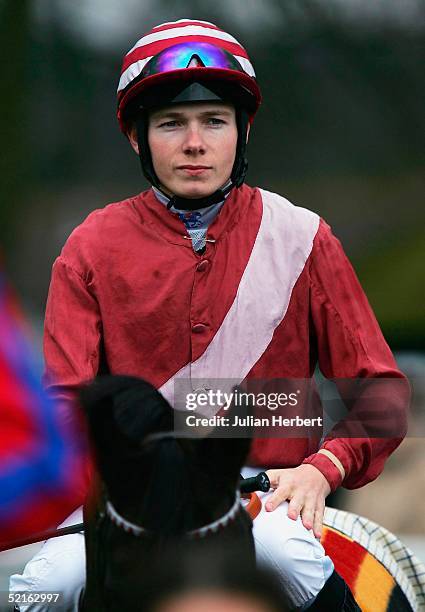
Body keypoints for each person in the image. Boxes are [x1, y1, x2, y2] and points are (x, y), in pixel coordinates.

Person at [10, 18, 409, 611]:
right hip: (128, 504)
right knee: (43, 589)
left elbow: (381, 394)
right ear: (137, 138)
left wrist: (321, 470)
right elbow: (66, 404)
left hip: (264, 501)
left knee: (290, 560)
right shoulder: (88, 248)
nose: (194, 143)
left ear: (242, 131)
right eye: (172, 123)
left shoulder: (304, 238)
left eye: (214, 121)